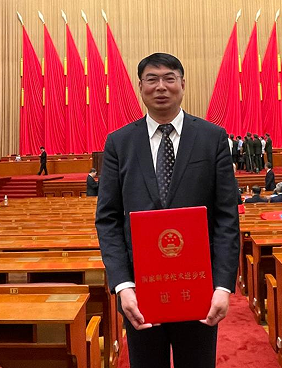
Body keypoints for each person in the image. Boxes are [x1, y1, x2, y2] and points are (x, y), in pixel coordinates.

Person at [95, 53, 240, 368]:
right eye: (152, 79)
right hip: (141, 292)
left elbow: (227, 217)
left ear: (182, 84)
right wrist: (123, 286)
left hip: (198, 288)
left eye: (169, 78)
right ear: (140, 87)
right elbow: (107, 219)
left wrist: (223, 285)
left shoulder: (212, 137)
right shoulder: (119, 142)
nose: (161, 87)